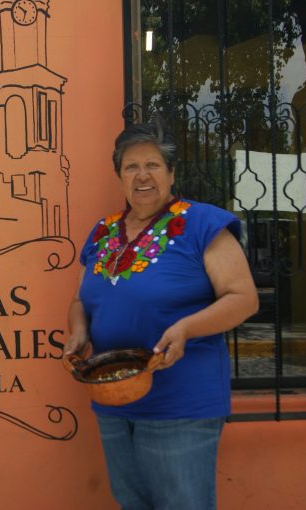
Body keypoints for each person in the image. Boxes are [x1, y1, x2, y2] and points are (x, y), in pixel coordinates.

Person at [65, 120, 258, 510]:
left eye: (152, 164)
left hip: (180, 402)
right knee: (131, 502)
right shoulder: (102, 232)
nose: (142, 176)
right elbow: (80, 300)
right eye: (131, 167)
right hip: (114, 397)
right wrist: (78, 332)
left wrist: (186, 327)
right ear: (119, 177)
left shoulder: (202, 224)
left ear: (171, 172)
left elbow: (243, 298)